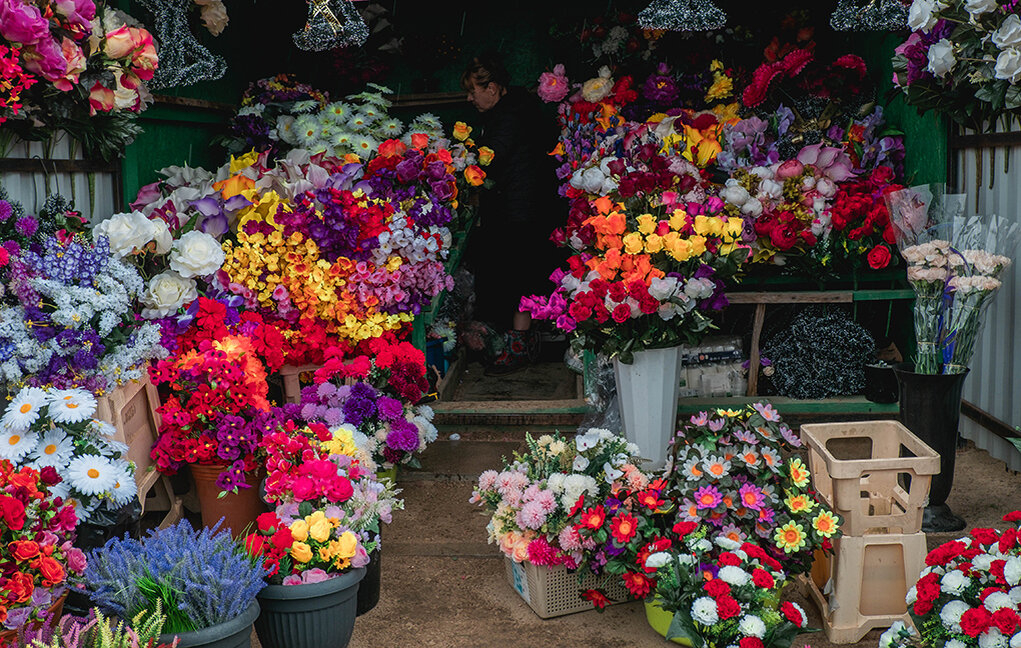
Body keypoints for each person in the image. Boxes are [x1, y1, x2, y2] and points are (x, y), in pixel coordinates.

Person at [462, 52, 561, 376]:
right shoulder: (518, 107)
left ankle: (519, 345)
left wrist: (463, 161)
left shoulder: (509, 115)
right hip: (525, 206)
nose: (469, 97)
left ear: (493, 87)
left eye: (474, 90)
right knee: (521, 274)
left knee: (520, 274)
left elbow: (493, 155)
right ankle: (518, 342)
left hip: (520, 210)